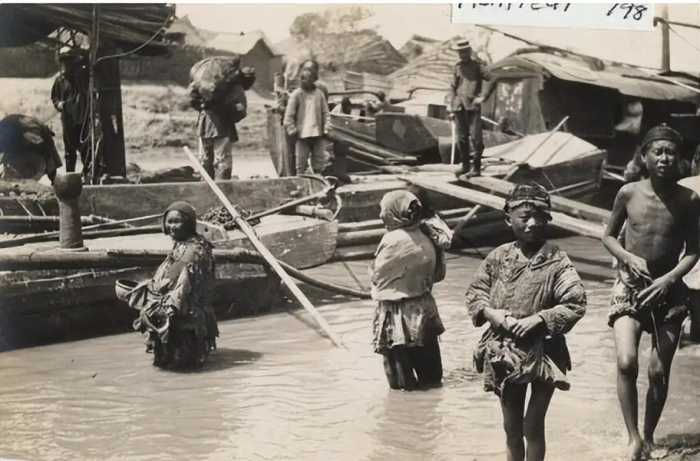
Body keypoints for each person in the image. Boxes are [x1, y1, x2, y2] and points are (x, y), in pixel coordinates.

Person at [465, 182, 586, 461]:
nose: (531, 223)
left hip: (545, 351)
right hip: (504, 351)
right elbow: (475, 293)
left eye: (538, 217)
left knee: (533, 425)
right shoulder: (498, 256)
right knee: (511, 427)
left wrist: (540, 319)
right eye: (524, 217)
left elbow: (576, 303)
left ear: (547, 220)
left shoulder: (557, 260)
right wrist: (491, 313)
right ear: (509, 220)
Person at [602, 124, 700, 460]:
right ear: (644, 156)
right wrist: (627, 257)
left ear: (680, 159)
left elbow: (694, 250)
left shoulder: (689, 199)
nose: (664, 158)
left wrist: (668, 280)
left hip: (668, 293)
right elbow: (609, 236)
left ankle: (650, 434)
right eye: (657, 151)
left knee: (658, 371)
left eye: (670, 152)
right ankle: (633, 438)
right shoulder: (628, 193)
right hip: (629, 289)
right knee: (627, 362)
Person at [127, 201, 219, 369]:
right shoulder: (185, 244)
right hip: (186, 315)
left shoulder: (192, 250)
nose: (172, 226)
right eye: (169, 221)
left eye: (177, 221)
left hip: (185, 320)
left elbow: (169, 282)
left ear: (189, 223)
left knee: (181, 369)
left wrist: (149, 291)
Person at [370, 190, 446, 390]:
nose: (380, 215)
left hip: (398, 313)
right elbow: (439, 275)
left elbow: (378, 278)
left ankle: (406, 417)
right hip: (424, 307)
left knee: (402, 386)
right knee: (431, 376)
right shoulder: (427, 233)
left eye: (383, 210)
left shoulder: (393, 239)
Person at [446, 39, 490, 178]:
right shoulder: (457, 67)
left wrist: (482, 96)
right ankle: (465, 166)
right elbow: (453, 87)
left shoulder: (478, 66)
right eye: (459, 51)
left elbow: (491, 78)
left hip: (472, 107)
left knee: (477, 139)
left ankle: (476, 168)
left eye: (464, 51)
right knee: (461, 139)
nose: (462, 54)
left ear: (469, 51)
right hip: (458, 106)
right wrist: (450, 104)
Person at [191, 76, 246, 180]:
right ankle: (222, 188)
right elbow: (239, 111)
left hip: (205, 125)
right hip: (223, 126)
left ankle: (206, 188)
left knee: (205, 159)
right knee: (222, 160)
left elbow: (194, 102)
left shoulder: (201, 84)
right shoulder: (232, 86)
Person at [283, 67, 330, 175]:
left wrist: (327, 128)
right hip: (302, 135)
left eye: (306, 78)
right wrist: (292, 130)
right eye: (302, 78)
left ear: (313, 79)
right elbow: (288, 116)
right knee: (301, 165)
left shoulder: (319, 94)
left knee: (319, 164)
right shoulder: (296, 95)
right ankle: (301, 186)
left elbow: (326, 113)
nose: (303, 80)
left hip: (318, 134)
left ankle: (318, 184)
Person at [51, 47, 88, 173]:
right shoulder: (59, 80)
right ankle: (70, 175)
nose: (67, 65)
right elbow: (54, 97)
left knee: (85, 149)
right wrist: (59, 105)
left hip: (82, 120)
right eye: (65, 61)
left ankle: (87, 174)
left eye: (70, 61)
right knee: (69, 151)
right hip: (68, 120)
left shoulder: (82, 78)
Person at [0, 114, 62, 183]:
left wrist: (53, 179)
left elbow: (48, 152)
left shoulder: (30, 135)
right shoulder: (9, 134)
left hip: (35, 146)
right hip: (21, 141)